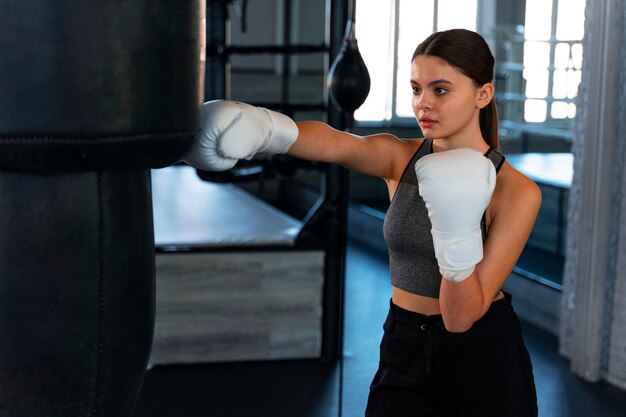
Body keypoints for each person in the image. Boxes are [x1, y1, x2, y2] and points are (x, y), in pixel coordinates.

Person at [185, 28, 541, 417]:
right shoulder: (401, 159)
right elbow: (339, 143)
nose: (423, 103)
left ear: (482, 94)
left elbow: (460, 319)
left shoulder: (516, 192)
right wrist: (265, 128)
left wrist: (457, 227)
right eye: (416, 89)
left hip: (481, 356)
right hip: (403, 342)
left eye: (440, 90)